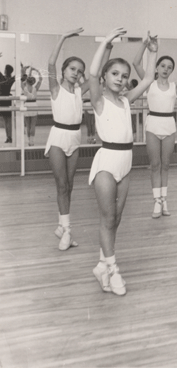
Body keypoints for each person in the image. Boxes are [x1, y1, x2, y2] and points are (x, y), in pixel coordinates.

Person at [88, 27, 157, 296]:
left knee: (115, 219)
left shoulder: (126, 100)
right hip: (106, 162)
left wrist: (153, 51)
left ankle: (102, 264)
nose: (120, 79)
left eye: (124, 76)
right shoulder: (99, 100)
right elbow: (92, 74)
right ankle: (114, 270)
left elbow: (149, 77)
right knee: (107, 218)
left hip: (125, 164)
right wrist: (106, 42)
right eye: (115, 74)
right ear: (105, 77)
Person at [132, 35, 177, 218]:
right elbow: (136, 63)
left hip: (169, 125)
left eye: (169, 67)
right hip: (153, 125)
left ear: (172, 71)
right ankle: (156, 201)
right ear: (156, 67)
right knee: (155, 165)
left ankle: (164, 200)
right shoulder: (149, 83)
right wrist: (145, 45)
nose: (165, 69)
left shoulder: (174, 86)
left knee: (166, 165)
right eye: (163, 66)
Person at [45, 28, 87, 251]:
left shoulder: (80, 91)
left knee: (69, 186)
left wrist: (108, 46)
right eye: (72, 68)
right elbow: (50, 64)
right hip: (58, 138)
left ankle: (62, 226)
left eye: (79, 71)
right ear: (64, 70)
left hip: (75, 138)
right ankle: (67, 231)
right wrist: (62, 37)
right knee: (62, 185)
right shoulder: (55, 88)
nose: (75, 73)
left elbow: (98, 76)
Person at [22, 65, 43, 146]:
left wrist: (25, 71)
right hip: (34, 105)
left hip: (26, 105)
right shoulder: (35, 88)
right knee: (33, 125)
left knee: (28, 125)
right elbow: (41, 79)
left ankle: (28, 141)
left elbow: (23, 79)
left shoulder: (24, 87)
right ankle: (32, 141)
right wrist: (36, 70)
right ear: (33, 82)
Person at [0, 58, 15, 144]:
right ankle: (9, 137)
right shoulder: (9, 79)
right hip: (6, 100)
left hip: (3, 100)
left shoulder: (4, 78)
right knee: (7, 120)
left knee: (7, 121)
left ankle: (9, 137)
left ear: (6, 70)